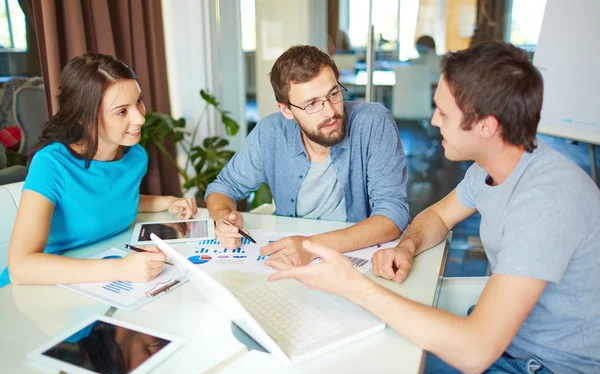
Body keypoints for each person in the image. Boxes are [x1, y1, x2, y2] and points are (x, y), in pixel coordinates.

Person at [266, 41, 600, 374]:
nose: (433, 120)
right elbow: (439, 216)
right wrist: (408, 246)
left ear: (486, 125)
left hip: (546, 373)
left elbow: (474, 351)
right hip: (503, 344)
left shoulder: (547, 200)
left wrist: (351, 285)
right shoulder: (494, 167)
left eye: (443, 112)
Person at [2, 53, 198, 287]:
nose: (140, 118)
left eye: (138, 101)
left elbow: (108, 200)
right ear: (83, 118)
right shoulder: (51, 164)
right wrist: (120, 268)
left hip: (99, 281)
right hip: (41, 288)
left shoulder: (134, 156)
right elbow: (21, 268)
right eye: (122, 111)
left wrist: (166, 202)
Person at [206, 45, 409, 266]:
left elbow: (392, 215)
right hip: (292, 256)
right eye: (312, 104)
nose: (330, 112)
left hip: (352, 254)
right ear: (286, 110)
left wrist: (309, 246)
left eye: (333, 94)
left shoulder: (373, 122)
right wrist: (223, 219)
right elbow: (222, 188)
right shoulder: (270, 132)